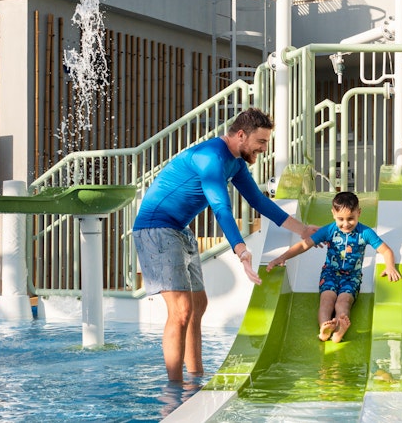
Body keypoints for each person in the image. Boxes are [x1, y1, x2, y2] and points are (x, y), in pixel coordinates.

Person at [132, 107, 317, 382]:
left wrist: (302, 229)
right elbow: (220, 207)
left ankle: (194, 379)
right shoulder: (210, 157)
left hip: (179, 230)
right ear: (241, 135)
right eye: (261, 142)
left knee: (198, 305)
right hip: (156, 229)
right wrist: (240, 249)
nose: (264, 149)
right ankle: (174, 392)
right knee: (181, 310)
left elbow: (259, 201)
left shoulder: (236, 162)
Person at [265, 191, 401, 343]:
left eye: (351, 218)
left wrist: (390, 266)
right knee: (327, 300)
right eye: (340, 219)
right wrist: (282, 257)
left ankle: (338, 330)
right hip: (330, 273)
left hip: (352, 277)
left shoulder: (365, 232)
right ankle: (324, 329)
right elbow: (304, 245)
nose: (346, 223)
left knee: (343, 302)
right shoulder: (329, 230)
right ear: (333, 214)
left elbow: (386, 250)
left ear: (359, 213)